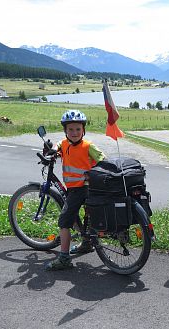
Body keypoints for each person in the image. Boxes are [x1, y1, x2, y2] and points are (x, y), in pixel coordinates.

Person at [45, 110, 106, 271]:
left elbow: (103, 160)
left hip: (83, 188)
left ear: (83, 130)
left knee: (64, 220)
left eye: (78, 129)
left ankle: (64, 258)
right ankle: (86, 243)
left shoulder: (88, 146)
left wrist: (92, 173)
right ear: (65, 131)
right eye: (70, 129)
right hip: (73, 189)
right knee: (74, 214)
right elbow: (59, 145)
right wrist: (52, 150)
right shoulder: (64, 144)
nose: (74, 133)